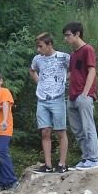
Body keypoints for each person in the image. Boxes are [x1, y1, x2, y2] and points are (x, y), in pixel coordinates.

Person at [29, 32, 70, 174]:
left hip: (57, 98)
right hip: (42, 99)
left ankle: (62, 164)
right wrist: (39, 82)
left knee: (60, 131)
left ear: (49, 44)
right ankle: (47, 165)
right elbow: (32, 70)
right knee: (45, 131)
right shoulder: (37, 59)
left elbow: (75, 70)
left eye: (40, 46)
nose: (38, 50)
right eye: (37, 47)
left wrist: (64, 79)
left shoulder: (63, 57)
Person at [63, 21, 98, 170]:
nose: (66, 39)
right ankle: (86, 158)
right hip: (72, 96)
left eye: (68, 35)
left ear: (77, 34)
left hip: (83, 96)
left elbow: (92, 71)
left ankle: (93, 159)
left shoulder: (87, 49)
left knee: (88, 127)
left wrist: (85, 93)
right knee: (77, 130)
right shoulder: (73, 54)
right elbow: (72, 73)